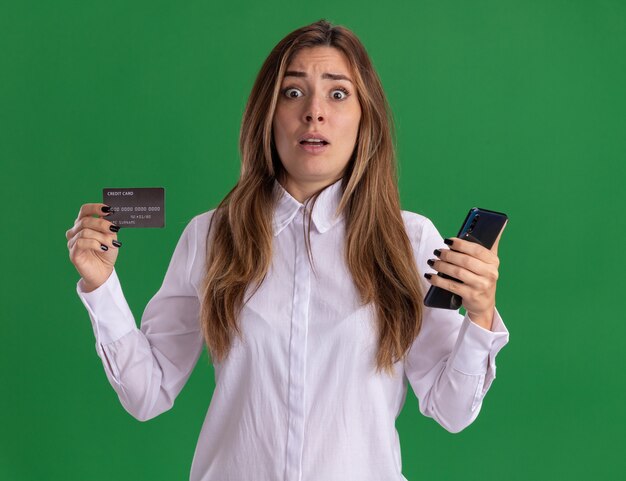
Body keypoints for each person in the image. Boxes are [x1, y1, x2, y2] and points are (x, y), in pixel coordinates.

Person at [66, 19, 509, 481]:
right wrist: (102, 287)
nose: (314, 112)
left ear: (365, 118)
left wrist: (479, 315)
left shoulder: (411, 241)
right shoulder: (211, 236)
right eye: (293, 93)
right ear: (268, 113)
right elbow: (146, 393)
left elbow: (451, 409)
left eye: (338, 94)